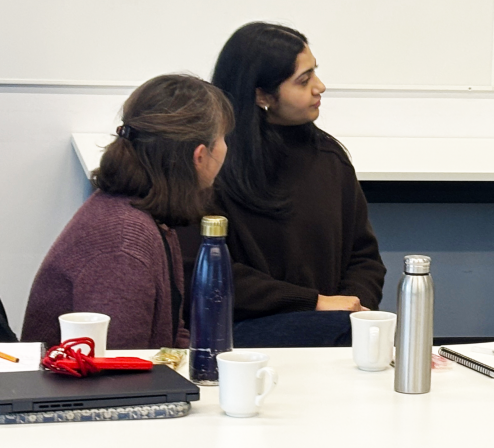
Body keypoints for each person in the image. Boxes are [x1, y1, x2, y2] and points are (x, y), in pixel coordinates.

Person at [178, 22, 386, 347]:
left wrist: (355, 308)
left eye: (315, 73)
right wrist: (314, 303)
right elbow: (202, 273)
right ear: (261, 94)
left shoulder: (330, 158)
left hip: (330, 327)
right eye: (304, 80)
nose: (320, 87)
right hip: (236, 334)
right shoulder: (212, 166)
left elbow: (364, 257)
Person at [22, 75, 233, 349]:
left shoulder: (146, 216)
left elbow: (172, 337)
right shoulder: (124, 241)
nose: (226, 147)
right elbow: (118, 366)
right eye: (223, 137)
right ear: (200, 155)